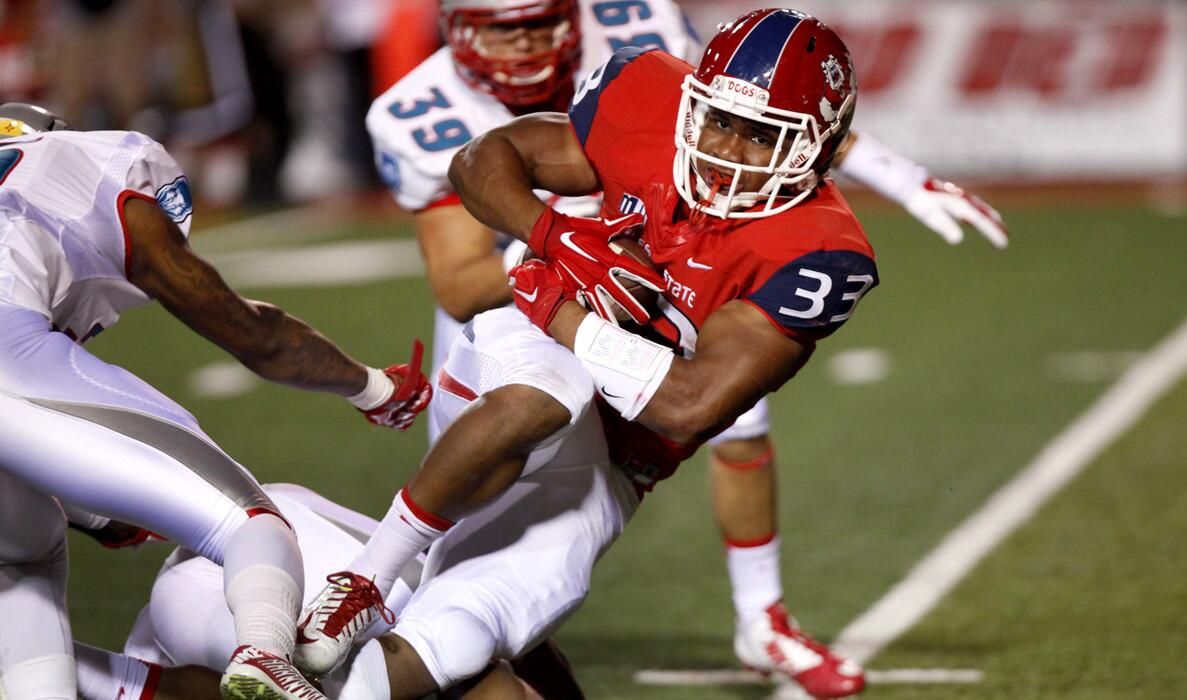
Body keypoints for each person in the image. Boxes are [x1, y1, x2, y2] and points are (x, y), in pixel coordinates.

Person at [362, 0, 1006, 688]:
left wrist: (899, 175)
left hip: (639, 286)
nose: (519, 46)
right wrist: (557, 255)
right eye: (498, 28)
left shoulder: (642, 40)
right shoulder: (423, 109)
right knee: (471, 542)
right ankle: (365, 582)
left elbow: (777, 112)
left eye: (536, 22)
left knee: (496, 600)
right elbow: (462, 282)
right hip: (525, 297)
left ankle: (763, 620)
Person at [0, 103, 431, 700]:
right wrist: (373, 387)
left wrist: (100, 516)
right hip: (10, 360)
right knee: (250, 522)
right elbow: (249, 331)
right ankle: (263, 653)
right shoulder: (82, 160)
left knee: (22, 562)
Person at [69, 483, 584, 700]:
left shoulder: (469, 633)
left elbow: (517, 635)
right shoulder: (447, 647)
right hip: (249, 571)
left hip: (273, 523)